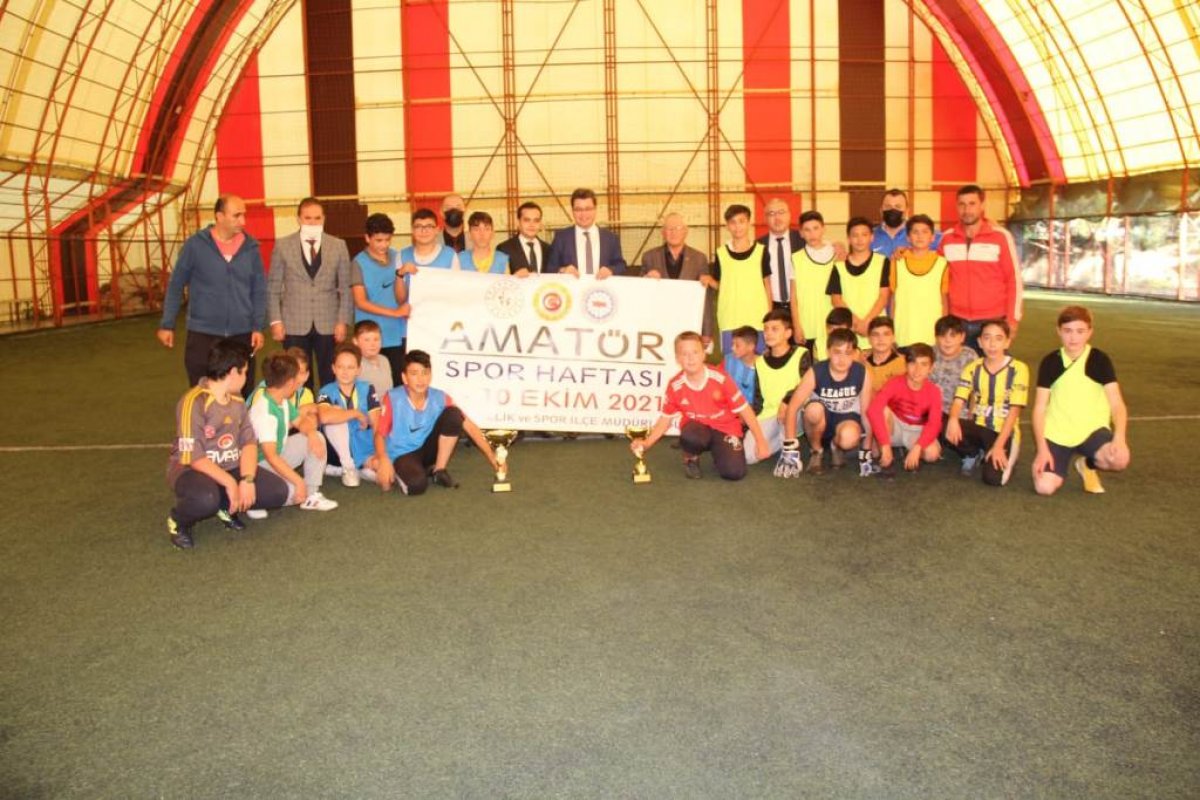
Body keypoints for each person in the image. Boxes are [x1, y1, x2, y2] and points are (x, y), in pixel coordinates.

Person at [165, 338, 289, 549]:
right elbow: (194, 457)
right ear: (233, 372)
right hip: (191, 469)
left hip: (229, 466)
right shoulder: (193, 402)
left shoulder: (237, 399)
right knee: (206, 499)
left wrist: (247, 479)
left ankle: (224, 506)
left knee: (277, 491)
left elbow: (249, 442)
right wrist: (231, 483)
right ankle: (178, 521)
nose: (246, 377)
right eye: (245, 372)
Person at [157, 195, 266, 387]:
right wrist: (167, 324)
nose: (243, 221)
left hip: (242, 333)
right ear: (219, 216)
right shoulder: (195, 245)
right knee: (202, 390)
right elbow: (176, 285)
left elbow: (259, 289)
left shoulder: (251, 248)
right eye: (236, 215)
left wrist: (257, 327)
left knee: (243, 391)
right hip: (203, 332)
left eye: (244, 215)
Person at [631, 332, 769, 481]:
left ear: (703, 354)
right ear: (677, 359)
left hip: (725, 428)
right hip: (697, 429)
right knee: (691, 436)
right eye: (685, 354)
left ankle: (720, 451)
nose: (691, 358)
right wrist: (647, 443)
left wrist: (760, 441)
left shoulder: (721, 379)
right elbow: (665, 419)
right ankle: (691, 457)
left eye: (695, 352)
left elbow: (745, 410)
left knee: (734, 472)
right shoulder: (675, 385)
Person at [1031, 306, 1130, 495]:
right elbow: (1039, 408)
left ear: (1089, 332)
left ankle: (1087, 464)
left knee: (1120, 459)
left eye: (1080, 331)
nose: (1073, 338)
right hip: (1057, 433)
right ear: (1058, 331)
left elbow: (1117, 404)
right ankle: (1052, 466)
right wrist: (1042, 450)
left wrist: (1119, 438)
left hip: (1091, 431)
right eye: (1067, 331)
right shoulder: (1050, 362)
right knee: (1044, 487)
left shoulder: (1099, 360)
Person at [374, 350, 500, 495]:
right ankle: (401, 471)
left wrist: (492, 456)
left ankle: (439, 470)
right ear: (404, 377)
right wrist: (383, 459)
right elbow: (379, 434)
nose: (421, 379)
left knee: (454, 414)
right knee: (416, 486)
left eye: (425, 373)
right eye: (414, 374)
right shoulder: (393, 397)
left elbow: (469, 426)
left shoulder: (440, 396)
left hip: (428, 449)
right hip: (403, 454)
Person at [267, 197, 353, 389]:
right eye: (307, 218)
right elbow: (273, 287)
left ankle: (328, 405)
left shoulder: (338, 245)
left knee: (329, 375)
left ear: (324, 219)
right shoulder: (282, 245)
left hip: (328, 323)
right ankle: (301, 406)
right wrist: (275, 321)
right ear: (298, 219)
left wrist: (342, 321)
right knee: (296, 374)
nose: (313, 222)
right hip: (293, 323)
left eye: (317, 218)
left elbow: (345, 288)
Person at [247, 352, 338, 513]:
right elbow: (271, 456)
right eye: (296, 378)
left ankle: (311, 495)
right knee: (292, 492)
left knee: (317, 438)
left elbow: (301, 422)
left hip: (277, 455)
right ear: (290, 382)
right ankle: (256, 499)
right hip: (259, 466)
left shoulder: (281, 400)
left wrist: (311, 434)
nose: (299, 382)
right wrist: (298, 481)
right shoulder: (265, 412)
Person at [776, 327, 872, 477]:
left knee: (849, 438)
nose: (842, 359)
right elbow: (793, 407)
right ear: (828, 352)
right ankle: (816, 451)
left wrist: (866, 451)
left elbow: (866, 413)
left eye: (847, 353)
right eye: (837, 352)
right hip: (820, 421)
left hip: (846, 420)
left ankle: (836, 446)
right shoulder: (816, 371)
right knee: (813, 410)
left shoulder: (862, 373)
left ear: (854, 353)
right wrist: (790, 448)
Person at [945, 319, 1028, 486]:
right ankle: (973, 452)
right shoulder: (972, 368)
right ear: (979, 342)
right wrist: (953, 419)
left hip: (1003, 431)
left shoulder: (1019, 369)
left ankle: (1006, 452)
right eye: (987, 338)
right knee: (944, 426)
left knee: (993, 479)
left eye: (998, 338)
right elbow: (959, 400)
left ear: (1007, 342)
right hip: (980, 426)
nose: (992, 344)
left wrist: (998, 446)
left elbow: (1014, 412)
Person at [939, 184, 1023, 345]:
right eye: (962, 204)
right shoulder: (947, 238)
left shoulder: (1001, 236)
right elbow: (932, 267)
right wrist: (903, 251)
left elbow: (1014, 280)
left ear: (982, 205)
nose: (966, 210)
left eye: (972, 204)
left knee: (992, 362)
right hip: (957, 320)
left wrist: (1013, 319)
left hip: (993, 320)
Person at [866, 342, 943, 478]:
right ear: (906, 365)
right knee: (883, 411)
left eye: (923, 364)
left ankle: (909, 451)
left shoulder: (934, 391)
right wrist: (885, 445)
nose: (917, 370)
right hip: (895, 427)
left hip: (917, 430)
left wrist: (918, 447)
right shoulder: (895, 382)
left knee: (932, 454)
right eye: (913, 363)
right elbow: (873, 410)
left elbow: (934, 424)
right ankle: (887, 457)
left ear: (931, 368)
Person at [746, 309, 810, 465]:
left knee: (789, 412)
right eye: (766, 329)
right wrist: (753, 426)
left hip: (795, 412)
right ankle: (781, 442)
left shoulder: (802, 353)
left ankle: (789, 446)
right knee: (749, 456)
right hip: (769, 414)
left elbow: (807, 385)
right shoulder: (760, 362)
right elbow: (758, 399)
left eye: (774, 329)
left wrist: (788, 400)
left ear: (788, 333)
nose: (768, 333)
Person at [351, 212, 410, 383]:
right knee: (371, 384)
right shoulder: (358, 263)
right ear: (367, 238)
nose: (384, 245)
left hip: (397, 332)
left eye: (387, 240)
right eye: (379, 240)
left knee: (398, 381)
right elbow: (360, 301)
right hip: (370, 335)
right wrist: (395, 313)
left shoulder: (397, 257)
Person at [706, 204, 770, 355]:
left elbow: (767, 285)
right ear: (727, 226)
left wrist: (769, 317)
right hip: (730, 320)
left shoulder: (761, 251)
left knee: (758, 363)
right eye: (733, 222)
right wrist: (708, 280)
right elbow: (722, 285)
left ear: (749, 223)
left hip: (757, 319)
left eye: (741, 221)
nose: (737, 226)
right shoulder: (721, 253)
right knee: (732, 363)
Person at [641, 212, 714, 343]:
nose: (673, 232)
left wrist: (707, 331)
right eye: (669, 229)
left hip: (689, 325)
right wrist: (646, 279)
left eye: (678, 228)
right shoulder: (649, 257)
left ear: (685, 231)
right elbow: (639, 292)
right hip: (658, 325)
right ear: (663, 232)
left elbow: (706, 298)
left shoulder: (699, 258)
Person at [318, 342, 383, 489]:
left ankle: (359, 467)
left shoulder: (367, 388)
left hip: (364, 447)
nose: (345, 372)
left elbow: (376, 423)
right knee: (334, 413)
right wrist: (355, 413)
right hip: (336, 451)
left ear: (358, 370)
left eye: (350, 367)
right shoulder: (326, 391)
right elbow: (324, 417)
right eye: (340, 367)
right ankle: (348, 467)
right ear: (333, 368)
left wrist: (379, 454)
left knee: (383, 471)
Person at [828, 216, 890, 348]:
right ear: (848, 239)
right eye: (855, 235)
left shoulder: (882, 261)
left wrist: (867, 323)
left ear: (872, 237)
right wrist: (856, 322)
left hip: (876, 329)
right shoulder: (838, 265)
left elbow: (883, 296)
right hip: (849, 330)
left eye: (864, 235)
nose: (860, 239)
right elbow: (836, 299)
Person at [890, 214, 949, 349]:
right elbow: (893, 299)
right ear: (908, 237)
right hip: (904, 334)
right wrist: (892, 331)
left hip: (931, 335)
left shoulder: (942, 263)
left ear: (932, 237)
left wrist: (943, 332)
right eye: (915, 232)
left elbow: (944, 300)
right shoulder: (897, 262)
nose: (920, 236)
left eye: (925, 232)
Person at [546, 188, 627, 277]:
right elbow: (550, 269)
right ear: (572, 211)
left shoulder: (611, 238)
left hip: (601, 286)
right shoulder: (561, 238)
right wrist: (563, 270)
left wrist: (610, 270)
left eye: (588, 209)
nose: (583, 214)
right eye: (578, 209)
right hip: (572, 286)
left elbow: (620, 265)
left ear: (595, 209)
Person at [790, 210, 837, 359]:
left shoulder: (838, 254)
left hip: (832, 322)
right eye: (807, 230)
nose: (812, 234)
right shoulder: (795, 258)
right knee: (808, 368)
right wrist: (797, 326)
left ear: (823, 229)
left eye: (816, 228)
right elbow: (793, 296)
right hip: (807, 324)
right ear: (801, 233)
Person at [930, 315, 978, 434]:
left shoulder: (970, 357)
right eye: (942, 336)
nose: (947, 341)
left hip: (959, 414)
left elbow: (976, 392)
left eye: (953, 335)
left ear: (962, 337)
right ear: (936, 338)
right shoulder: (929, 354)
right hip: (930, 411)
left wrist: (972, 416)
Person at [758, 197, 803, 314]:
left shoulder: (803, 240)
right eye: (771, 214)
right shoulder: (758, 246)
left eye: (781, 212)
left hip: (801, 305)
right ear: (765, 219)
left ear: (789, 215)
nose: (777, 218)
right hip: (770, 307)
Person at [872, 188, 941, 257]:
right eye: (888, 206)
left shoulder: (930, 236)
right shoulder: (869, 237)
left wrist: (911, 251)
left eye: (898, 207)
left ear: (906, 211)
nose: (893, 210)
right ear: (881, 210)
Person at [399, 208, 461, 276]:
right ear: (412, 230)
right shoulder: (402, 255)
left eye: (429, 226)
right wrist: (400, 273)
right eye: (418, 226)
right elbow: (397, 281)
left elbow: (456, 282)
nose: (424, 231)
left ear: (437, 230)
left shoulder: (450, 255)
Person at [497, 201, 551, 275]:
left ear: (540, 223)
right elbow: (498, 279)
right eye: (527, 220)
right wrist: (513, 278)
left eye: (536, 221)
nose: (532, 225)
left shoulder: (549, 250)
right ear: (518, 222)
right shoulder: (504, 249)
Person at [864, 316, 907, 393]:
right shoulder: (861, 365)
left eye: (886, 334)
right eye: (875, 334)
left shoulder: (904, 365)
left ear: (893, 338)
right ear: (869, 339)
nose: (881, 339)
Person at [353, 320, 393, 396]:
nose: (373, 344)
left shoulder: (384, 360)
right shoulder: (354, 363)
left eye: (376, 339)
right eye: (367, 340)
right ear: (355, 341)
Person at [721, 325, 759, 404]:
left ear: (751, 347)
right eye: (732, 344)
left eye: (737, 346)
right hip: (729, 406)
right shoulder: (728, 360)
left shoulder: (763, 366)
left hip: (752, 408)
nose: (732, 348)